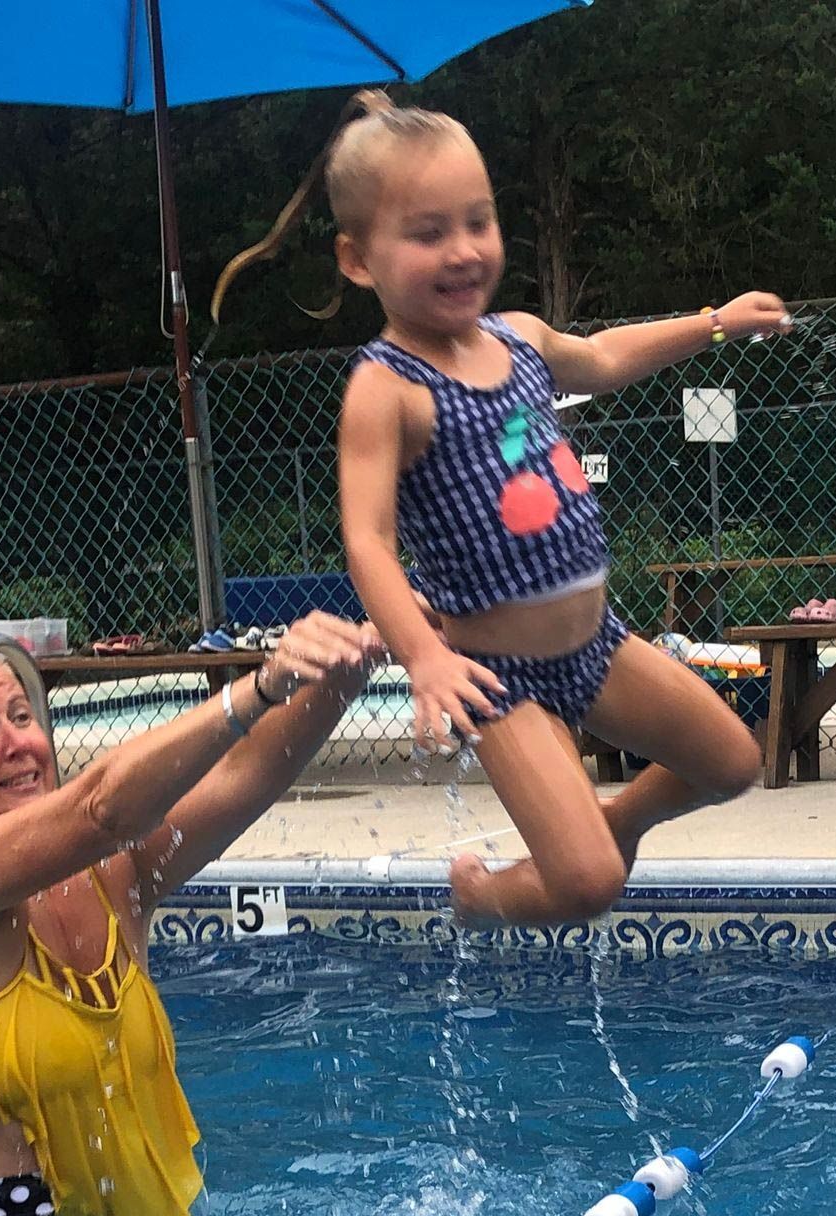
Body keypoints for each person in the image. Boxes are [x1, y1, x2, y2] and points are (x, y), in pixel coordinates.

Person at [330, 92, 790, 928]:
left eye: (479, 222)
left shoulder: (520, 337)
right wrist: (424, 662)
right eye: (428, 234)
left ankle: (614, 819)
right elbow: (367, 541)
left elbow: (607, 357)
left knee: (732, 760)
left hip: (598, 643)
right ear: (359, 260)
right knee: (585, 887)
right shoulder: (386, 386)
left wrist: (712, 324)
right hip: (497, 677)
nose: (464, 251)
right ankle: (482, 895)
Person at [0, 617, 379, 1216]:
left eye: (22, 716)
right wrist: (256, 689)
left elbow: (247, 776)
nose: (19, 743)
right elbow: (101, 807)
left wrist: (348, 670)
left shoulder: (116, 872)